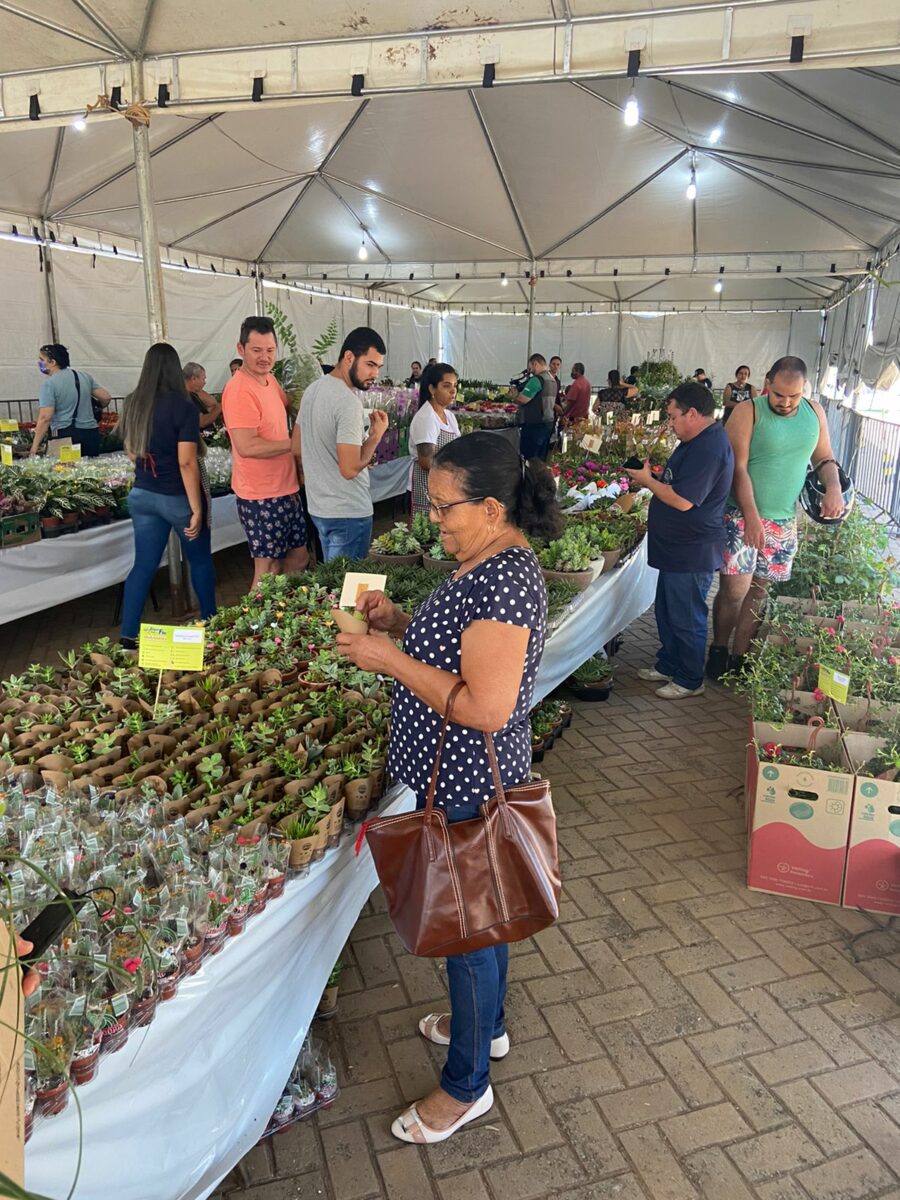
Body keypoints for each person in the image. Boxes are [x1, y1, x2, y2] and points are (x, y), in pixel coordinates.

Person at [334, 432, 561, 1144]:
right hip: (461, 774)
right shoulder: (484, 561)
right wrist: (399, 622)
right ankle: (485, 1028)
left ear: (492, 508)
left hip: (466, 777)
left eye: (443, 509)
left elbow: (486, 708)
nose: (435, 520)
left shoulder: (504, 579)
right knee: (484, 914)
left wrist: (387, 659)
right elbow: (458, 645)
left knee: (466, 931)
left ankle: (466, 1089)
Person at [707, 355, 844, 679]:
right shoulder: (748, 411)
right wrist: (752, 517)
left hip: (783, 521)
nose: (784, 402)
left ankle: (740, 657)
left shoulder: (815, 413)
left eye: (793, 396)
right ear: (767, 383)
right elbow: (736, 468)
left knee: (759, 590)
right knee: (734, 592)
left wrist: (834, 485)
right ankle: (719, 647)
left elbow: (824, 457)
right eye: (779, 394)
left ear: (804, 389)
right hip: (741, 516)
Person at [626, 383, 734, 699]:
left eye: (673, 417)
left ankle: (689, 678)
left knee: (686, 615)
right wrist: (655, 478)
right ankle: (669, 662)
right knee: (669, 610)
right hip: (677, 547)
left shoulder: (709, 447)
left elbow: (685, 501)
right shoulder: (696, 440)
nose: (670, 423)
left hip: (692, 549)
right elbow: (679, 484)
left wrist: (647, 482)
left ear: (692, 413)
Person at [118, 343, 217, 648]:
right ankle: (211, 624)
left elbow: (132, 451)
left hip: (142, 494)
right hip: (176, 496)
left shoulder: (134, 402)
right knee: (199, 560)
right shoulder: (183, 406)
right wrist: (196, 508)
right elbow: (186, 461)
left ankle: (128, 634)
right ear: (176, 369)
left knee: (144, 564)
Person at [222, 316, 308, 588]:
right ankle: (255, 625)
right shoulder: (238, 390)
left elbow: (285, 410)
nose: (264, 357)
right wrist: (293, 446)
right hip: (260, 495)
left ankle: (288, 615)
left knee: (298, 557)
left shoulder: (270, 380)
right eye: (256, 350)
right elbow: (247, 446)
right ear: (241, 348)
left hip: (287, 487)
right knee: (268, 567)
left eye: (270, 350)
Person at [298, 326, 388, 561]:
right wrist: (376, 436)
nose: (375, 373)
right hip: (348, 511)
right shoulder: (348, 402)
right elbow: (349, 469)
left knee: (333, 589)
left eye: (379, 366)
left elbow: (296, 446)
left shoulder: (312, 390)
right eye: (370, 364)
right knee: (348, 593)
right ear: (349, 357)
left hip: (319, 508)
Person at [29, 344, 112, 457]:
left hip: (65, 436)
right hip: (91, 433)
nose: (39, 363)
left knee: (66, 472)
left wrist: (34, 446)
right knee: (91, 470)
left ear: (53, 362)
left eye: (41, 360)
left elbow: (45, 417)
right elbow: (106, 397)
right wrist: (94, 409)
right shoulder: (84, 376)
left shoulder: (49, 384)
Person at [409, 363, 461, 515]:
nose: (453, 391)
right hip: (428, 487)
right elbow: (426, 462)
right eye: (446, 386)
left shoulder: (449, 416)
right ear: (432, 389)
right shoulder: (426, 418)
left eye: (455, 385)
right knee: (427, 532)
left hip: (445, 485)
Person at [510, 353, 556, 461]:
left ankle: (529, 477)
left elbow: (523, 399)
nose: (529, 370)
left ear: (535, 364)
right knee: (541, 458)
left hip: (534, 425)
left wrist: (514, 396)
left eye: (530, 366)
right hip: (548, 422)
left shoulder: (537, 380)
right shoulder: (552, 379)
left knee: (530, 458)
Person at [183, 362, 222, 430]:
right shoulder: (186, 396)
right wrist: (220, 407)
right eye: (203, 379)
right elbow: (201, 422)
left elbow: (212, 405)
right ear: (194, 378)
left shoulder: (193, 394)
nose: (205, 382)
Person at [556, 362, 592, 427]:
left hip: (574, 420)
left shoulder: (576, 384)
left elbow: (570, 403)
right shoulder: (588, 383)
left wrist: (562, 414)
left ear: (577, 371)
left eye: (573, 371)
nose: (571, 373)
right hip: (584, 418)